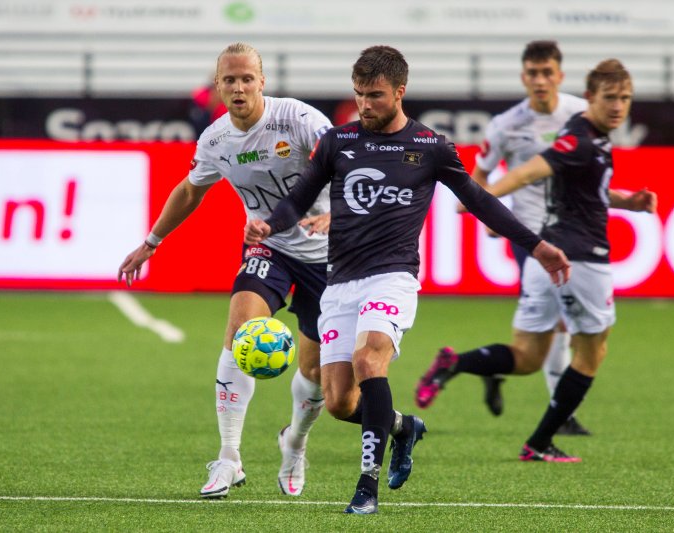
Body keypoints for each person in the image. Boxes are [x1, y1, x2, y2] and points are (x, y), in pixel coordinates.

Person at [245, 45, 571, 513]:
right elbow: (297, 200)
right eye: (358, 94)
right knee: (338, 401)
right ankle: (403, 428)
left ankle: (366, 488)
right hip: (339, 284)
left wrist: (537, 246)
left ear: (400, 91)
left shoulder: (431, 148)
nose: (364, 105)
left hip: (393, 277)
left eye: (375, 95)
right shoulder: (337, 142)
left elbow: (481, 201)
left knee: (369, 360)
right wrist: (270, 225)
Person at [117, 42, 333, 498]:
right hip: (268, 247)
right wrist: (150, 243)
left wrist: (336, 214)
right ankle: (229, 457)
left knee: (317, 375)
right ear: (218, 86)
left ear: (262, 82)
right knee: (239, 332)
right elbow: (190, 191)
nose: (238, 88)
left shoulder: (298, 119)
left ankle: (294, 443)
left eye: (246, 79)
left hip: (327, 254)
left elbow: (346, 164)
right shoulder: (215, 139)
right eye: (229, 80)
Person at [416, 59, 656, 462]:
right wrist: (480, 201)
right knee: (591, 353)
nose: (619, 107)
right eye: (610, 98)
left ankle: (457, 362)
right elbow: (528, 173)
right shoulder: (577, 139)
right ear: (590, 99)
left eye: (626, 98)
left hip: (547, 259)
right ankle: (540, 442)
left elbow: (583, 188)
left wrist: (627, 202)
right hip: (581, 261)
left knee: (527, 356)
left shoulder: (591, 137)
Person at [415, 40, 591, 436]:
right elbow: (479, 177)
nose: (540, 80)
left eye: (547, 72)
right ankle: (559, 414)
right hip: (533, 237)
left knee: (550, 333)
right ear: (523, 76)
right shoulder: (506, 125)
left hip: (576, 232)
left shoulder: (580, 114)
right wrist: (484, 213)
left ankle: (495, 371)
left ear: (560, 76)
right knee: (564, 324)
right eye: (533, 72)